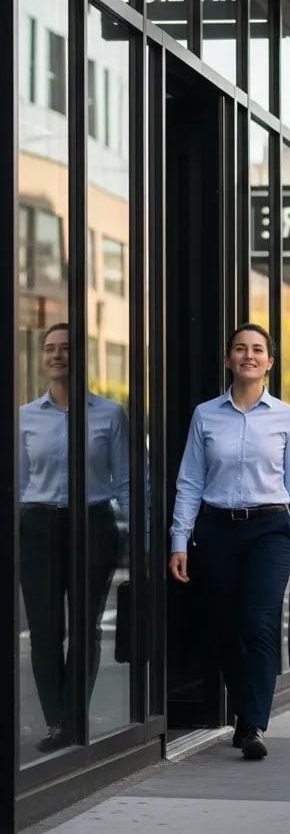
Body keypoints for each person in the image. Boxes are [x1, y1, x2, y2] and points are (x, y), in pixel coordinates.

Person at [169, 324, 290, 761]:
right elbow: (190, 481)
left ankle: (253, 723)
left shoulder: (286, 417)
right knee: (223, 627)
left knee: (259, 622)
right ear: (228, 359)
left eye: (257, 350)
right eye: (240, 348)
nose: (248, 355)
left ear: (269, 363)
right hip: (215, 530)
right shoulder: (205, 415)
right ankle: (241, 710)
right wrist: (179, 539)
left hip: (269, 530)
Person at [19, 322, 130, 753]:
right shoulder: (25, 417)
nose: (56, 355)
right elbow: (18, 483)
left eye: (65, 348)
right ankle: (56, 722)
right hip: (39, 527)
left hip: (93, 525)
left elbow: (126, 482)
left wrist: (142, 536)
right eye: (49, 348)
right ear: (42, 356)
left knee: (84, 628)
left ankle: (74, 716)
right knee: (45, 631)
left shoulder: (109, 414)